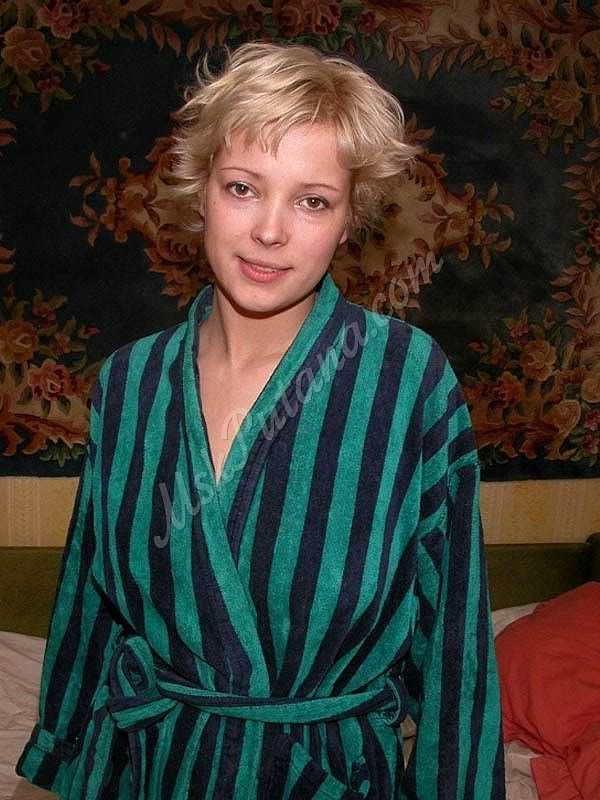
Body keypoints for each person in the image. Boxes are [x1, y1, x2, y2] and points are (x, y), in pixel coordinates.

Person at [16, 42, 505, 799]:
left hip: (325, 775)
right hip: (155, 770)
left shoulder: (408, 380)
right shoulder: (130, 383)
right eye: (243, 188)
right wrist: (59, 757)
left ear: (348, 220)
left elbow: (456, 644)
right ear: (202, 193)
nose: (270, 230)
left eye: (312, 201)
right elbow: (90, 604)